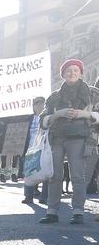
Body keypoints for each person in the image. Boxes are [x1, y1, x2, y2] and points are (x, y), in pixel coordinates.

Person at [38, 59, 99, 224]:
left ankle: (78, 211)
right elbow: (42, 120)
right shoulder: (55, 96)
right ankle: (52, 211)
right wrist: (59, 114)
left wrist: (85, 114)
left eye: (75, 70)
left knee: (78, 176)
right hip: (57, 138)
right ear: (63, 74)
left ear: (81, 72)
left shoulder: (93, 93)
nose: (72, 73)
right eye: (68, 71)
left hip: (80, 138)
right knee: (55, 175)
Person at [21, 97, 49, 205]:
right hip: (30, 150)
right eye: (36, 104)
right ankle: (28, 196)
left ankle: (44, 196)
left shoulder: (46, 117)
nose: (38, 106)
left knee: (46, 172)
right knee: (29, 173)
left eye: (41, 104)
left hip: (44, 148)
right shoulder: (29, 118)